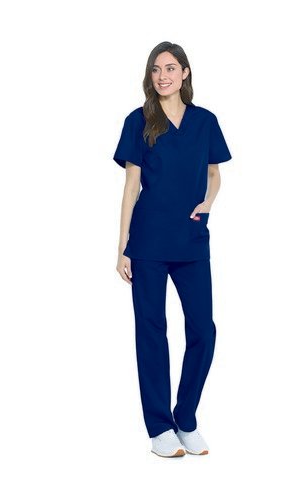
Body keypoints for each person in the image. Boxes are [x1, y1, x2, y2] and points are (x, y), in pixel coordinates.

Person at [113, 41, 232, 458]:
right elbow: (131, 186)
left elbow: (214, 173)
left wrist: (209, 201)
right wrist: (123, 246)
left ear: (185, 72)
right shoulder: (139, 121)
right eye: (155, 69)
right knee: (151, 331)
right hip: (147, 241)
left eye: (170, 68)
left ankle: (185, 417)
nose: (162, 76)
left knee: (203, 330)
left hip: (191, 238)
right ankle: (160, 427)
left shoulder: (205, 121)